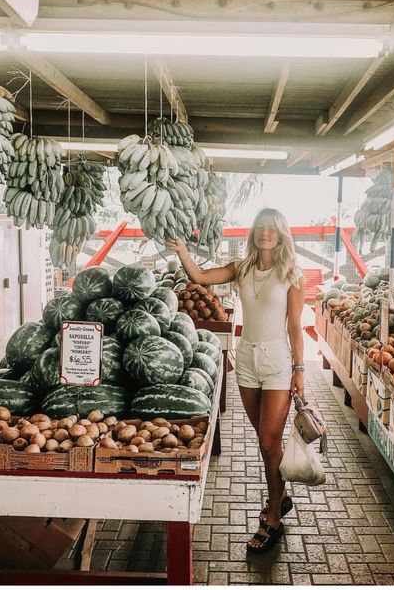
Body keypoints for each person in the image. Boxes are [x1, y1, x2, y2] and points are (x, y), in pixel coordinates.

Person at [165, 208, 305, 554]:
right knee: (264, 441)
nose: (266, 234)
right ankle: (280, 496)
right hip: (245, 360)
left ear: (282, 233)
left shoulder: (291, 272)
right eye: (261, 228)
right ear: (254, 232)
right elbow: (199, 276)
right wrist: (183, 251)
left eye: (273, 229)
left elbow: (295, 327)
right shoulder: (241, 268)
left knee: (271, 443)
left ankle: (273, 515)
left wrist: (300, 370)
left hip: (276, 362)